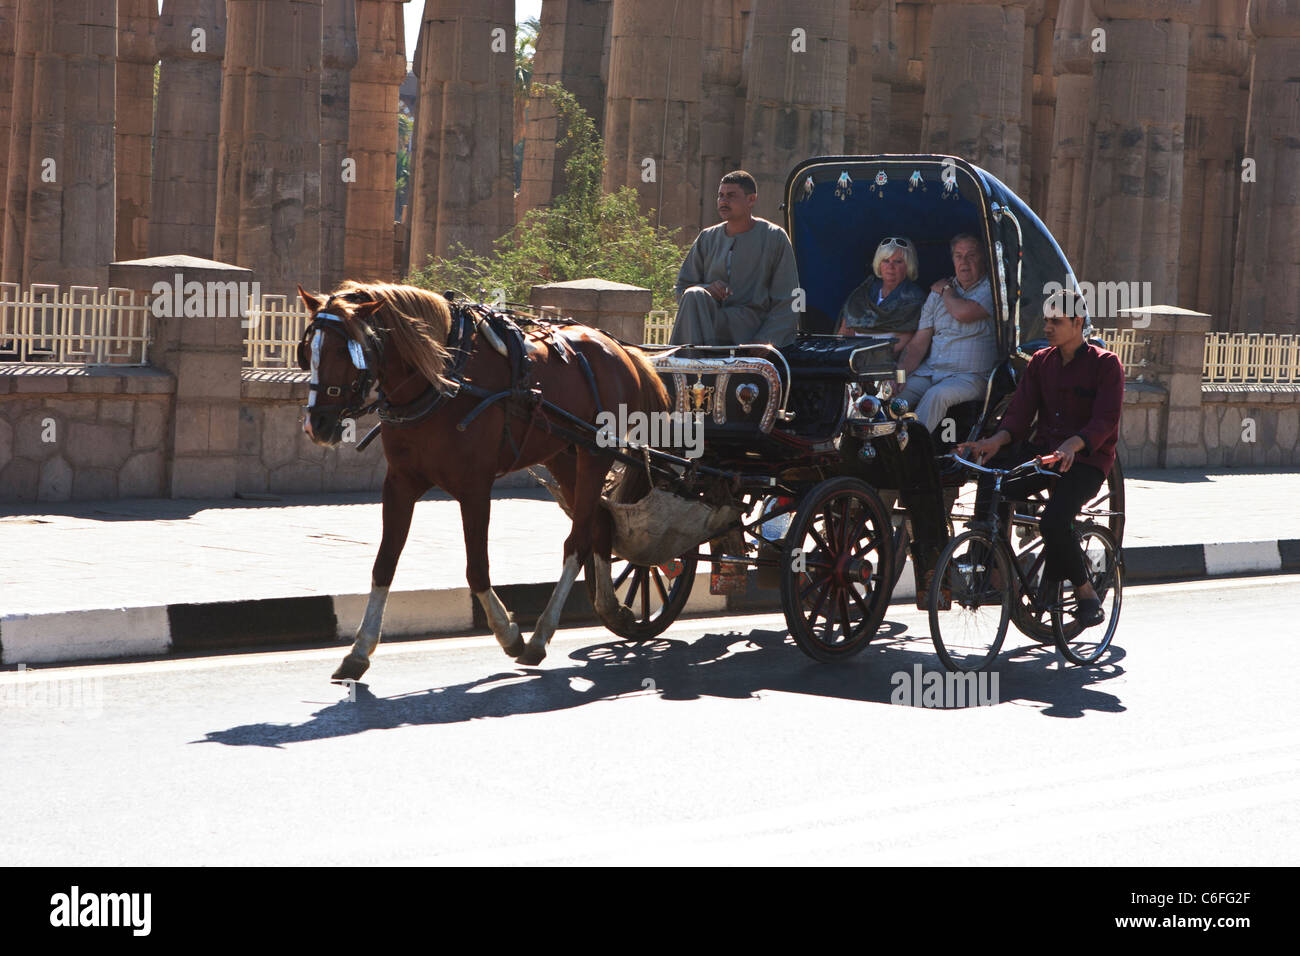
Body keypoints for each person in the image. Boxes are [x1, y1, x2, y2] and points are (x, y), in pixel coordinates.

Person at [958, 290, 1125, 626]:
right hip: (1044, 456)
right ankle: (990, 568)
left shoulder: (1106, 365)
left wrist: (1073, 445)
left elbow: (1105, 421)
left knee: (1054, 522)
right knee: (994, 478)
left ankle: (1085, 593)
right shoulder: (1040, 363)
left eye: (1056, 321)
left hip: (1086, 463)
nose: (1047, 327)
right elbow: (1019, 417)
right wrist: (993, 441)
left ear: (1078, 323)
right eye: (1046, 320)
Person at [670, 170, 802, 347]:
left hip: (749, 331)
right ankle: (684, 367)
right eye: (720, 196)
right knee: (694, 294)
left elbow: (789, 299)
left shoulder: (774, 237)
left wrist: (767, 339)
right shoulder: (707, 238)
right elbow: (681, 289)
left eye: (731, 196)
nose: (723, 201)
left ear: (751, 200)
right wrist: (707, 289)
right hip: (704, 327)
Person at [895, 233, 998, 432]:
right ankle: (880, 449)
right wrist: (898, 376)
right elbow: (918, 344)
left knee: (937, 396)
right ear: (952, 260)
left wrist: (946, 290)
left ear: (983, 258)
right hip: (932, 371)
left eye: (971, 255)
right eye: (958, 256)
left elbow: (962, 312)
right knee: (894, 397)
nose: (964, 262)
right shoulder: (937, 293)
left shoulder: (991, 289)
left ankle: (912, 452)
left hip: (970, 377)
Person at [836, 237, 927, 355]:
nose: (890, 267)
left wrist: (871, 357)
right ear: (879, 264)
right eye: (886, 261)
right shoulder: (861, 294)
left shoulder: (915, 298)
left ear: (908, 266)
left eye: (898, 261)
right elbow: (844, 332)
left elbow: (903, 340)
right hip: (852, 356)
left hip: (886, 360)